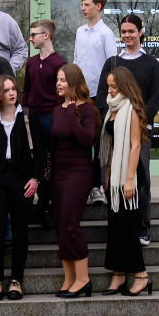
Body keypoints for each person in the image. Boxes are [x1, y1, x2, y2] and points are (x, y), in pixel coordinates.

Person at [100, 12, 159, 247]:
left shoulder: (152, 64)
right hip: (114, 132)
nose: (127, 35)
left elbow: (156, 98)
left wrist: (136, 120)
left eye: (131, 31)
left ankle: (142, 228)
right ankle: (119, 228)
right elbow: (102, 95)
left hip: (140, 132)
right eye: (123, 32)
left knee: (140, 179)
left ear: (140, 33)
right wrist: (111, 121)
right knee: (112, 179)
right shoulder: (112, 63)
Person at [0, 74, 46, 300]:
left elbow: (40, 151)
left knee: (20, 231)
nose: (11, 93)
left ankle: (16, 280)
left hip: (22, 179)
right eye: (6, 90)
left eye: (13, 89)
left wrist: (35, 178)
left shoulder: (28, 117)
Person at [101, 66, 153, 297]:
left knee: (127, 225)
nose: (110, 90)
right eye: (108, 86)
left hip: (130, 172)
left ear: (124, 86)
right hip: (115, 172)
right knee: (114, 225)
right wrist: (108, 170)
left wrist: (129, 179)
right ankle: (118, 274)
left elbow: (135, 146)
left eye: (114, 86)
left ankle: (141, 275)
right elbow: (113, 144)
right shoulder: (113, 109)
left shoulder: (131, 109)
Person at [48, 63, 98, 298]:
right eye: (57, 80)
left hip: (78, 172)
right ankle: (69, 279)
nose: (58, 84)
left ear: (73, 82)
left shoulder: (86, 109)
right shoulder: (57, 109)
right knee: (60, 225)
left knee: (70, 224)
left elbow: (87, 138)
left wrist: (71, 112)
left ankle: (83, 279)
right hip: (58, 173)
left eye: (62, 80)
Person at [71, 0, 114, 205]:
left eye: (87, 5)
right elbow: (76, 60)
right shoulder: (80, 32)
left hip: (100, 96)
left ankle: (96, 187)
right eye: (82, 4)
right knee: (80, 142)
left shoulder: (106, 34)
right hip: (81, 95)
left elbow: (113, 66)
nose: (83, 8)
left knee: (97, 143)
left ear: (98, 6)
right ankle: (82, 185)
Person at [22, 20, 65, 226]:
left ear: (46, 35)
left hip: (51, 117)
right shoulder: (31, 62)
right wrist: (24, 112)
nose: (30, 39)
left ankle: (47, 206)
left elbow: (62, 93)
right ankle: (36, 204)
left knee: (51, 161)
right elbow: (26, 90)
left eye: (34, 35)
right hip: (32, 117)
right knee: (35, 160)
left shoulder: (59, 63)